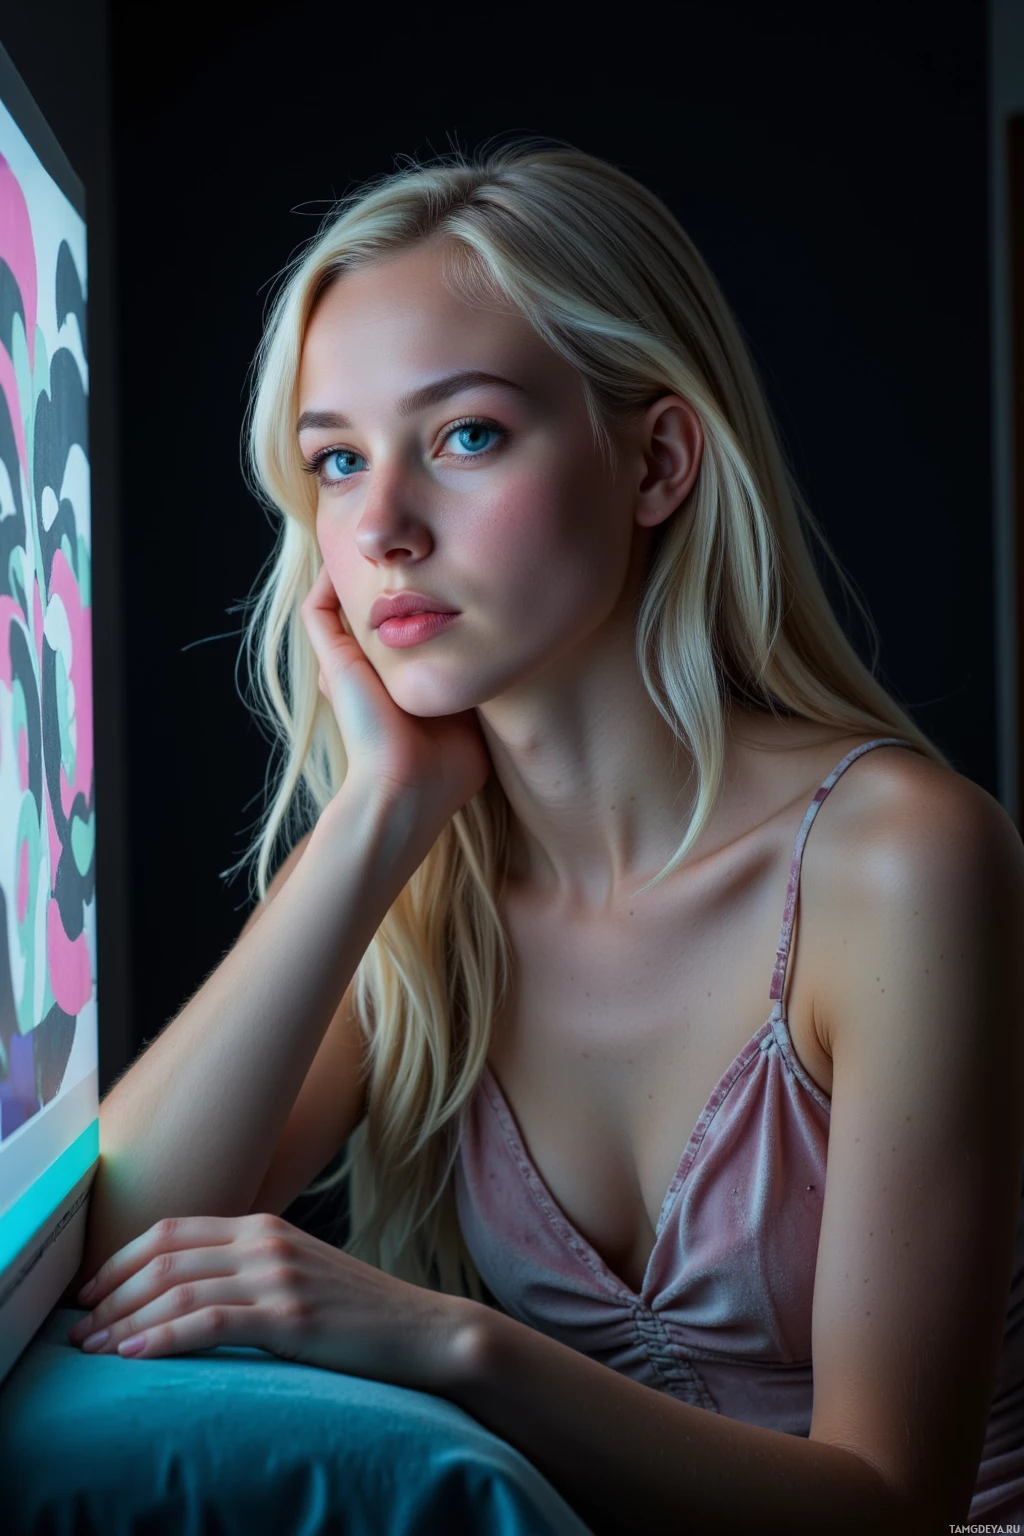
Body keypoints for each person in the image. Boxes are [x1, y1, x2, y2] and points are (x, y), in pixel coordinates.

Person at [66, 138, 1024, 1529]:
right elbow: (99, 1257)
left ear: (657, 462)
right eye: (336, 463)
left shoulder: (899, 863)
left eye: (465, 436)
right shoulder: (419, 890)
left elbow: (888, 1504)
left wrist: (447, 1342)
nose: (382, 525)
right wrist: (381, 814)